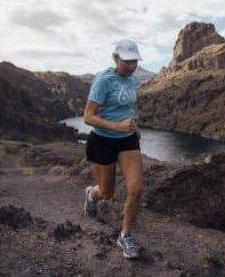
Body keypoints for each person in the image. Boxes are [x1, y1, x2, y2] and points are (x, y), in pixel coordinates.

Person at [83, 39, 143, 259]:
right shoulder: (103, 80)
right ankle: (92, 194)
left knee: (135, 189)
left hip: (127, 139)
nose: (131, 66)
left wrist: (133, 125)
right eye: (127, 61)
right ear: (116, 58)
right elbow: (88, 116)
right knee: (106, 192)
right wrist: (116, 126)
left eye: (134, 61)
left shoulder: (133, 80)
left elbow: (127, 105)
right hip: (102, 140)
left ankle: (125, 236)